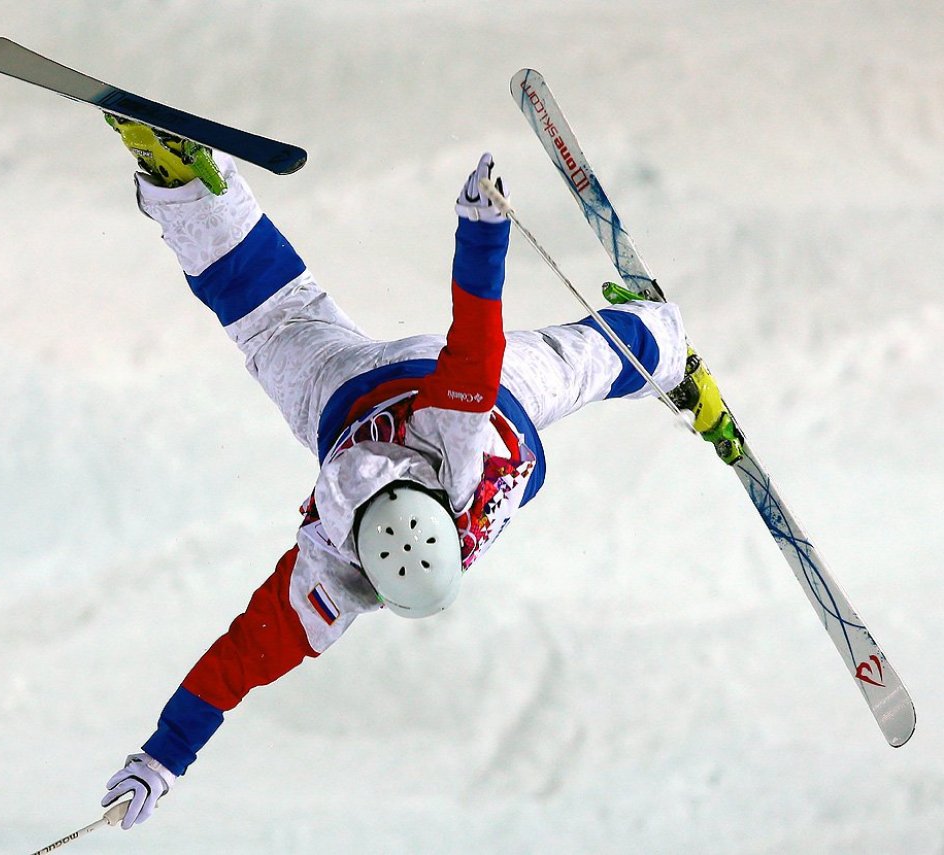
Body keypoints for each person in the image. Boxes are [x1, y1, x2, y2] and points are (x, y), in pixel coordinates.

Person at [98, 118, 714, 829]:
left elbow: (238, 659)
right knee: (574, 362)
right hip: (413, 395)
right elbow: (474, 344)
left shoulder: (347, 557)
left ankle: (182, 186)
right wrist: (158, 760)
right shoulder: (400, 493)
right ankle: (670, 346)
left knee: (282, 320)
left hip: (394, 396)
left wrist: (161, 760)